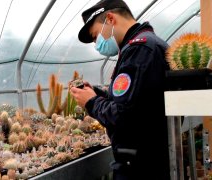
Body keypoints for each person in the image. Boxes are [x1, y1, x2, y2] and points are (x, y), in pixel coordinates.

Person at [70, 0, 170, 179]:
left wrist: (91, 102)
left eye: (95, 36)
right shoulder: (146, 45)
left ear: (110, 19)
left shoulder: (139, 50)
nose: (96, 44)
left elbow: (125, 116)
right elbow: (137, 102)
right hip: (148, 160)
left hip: (141, 166)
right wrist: (98, 93)